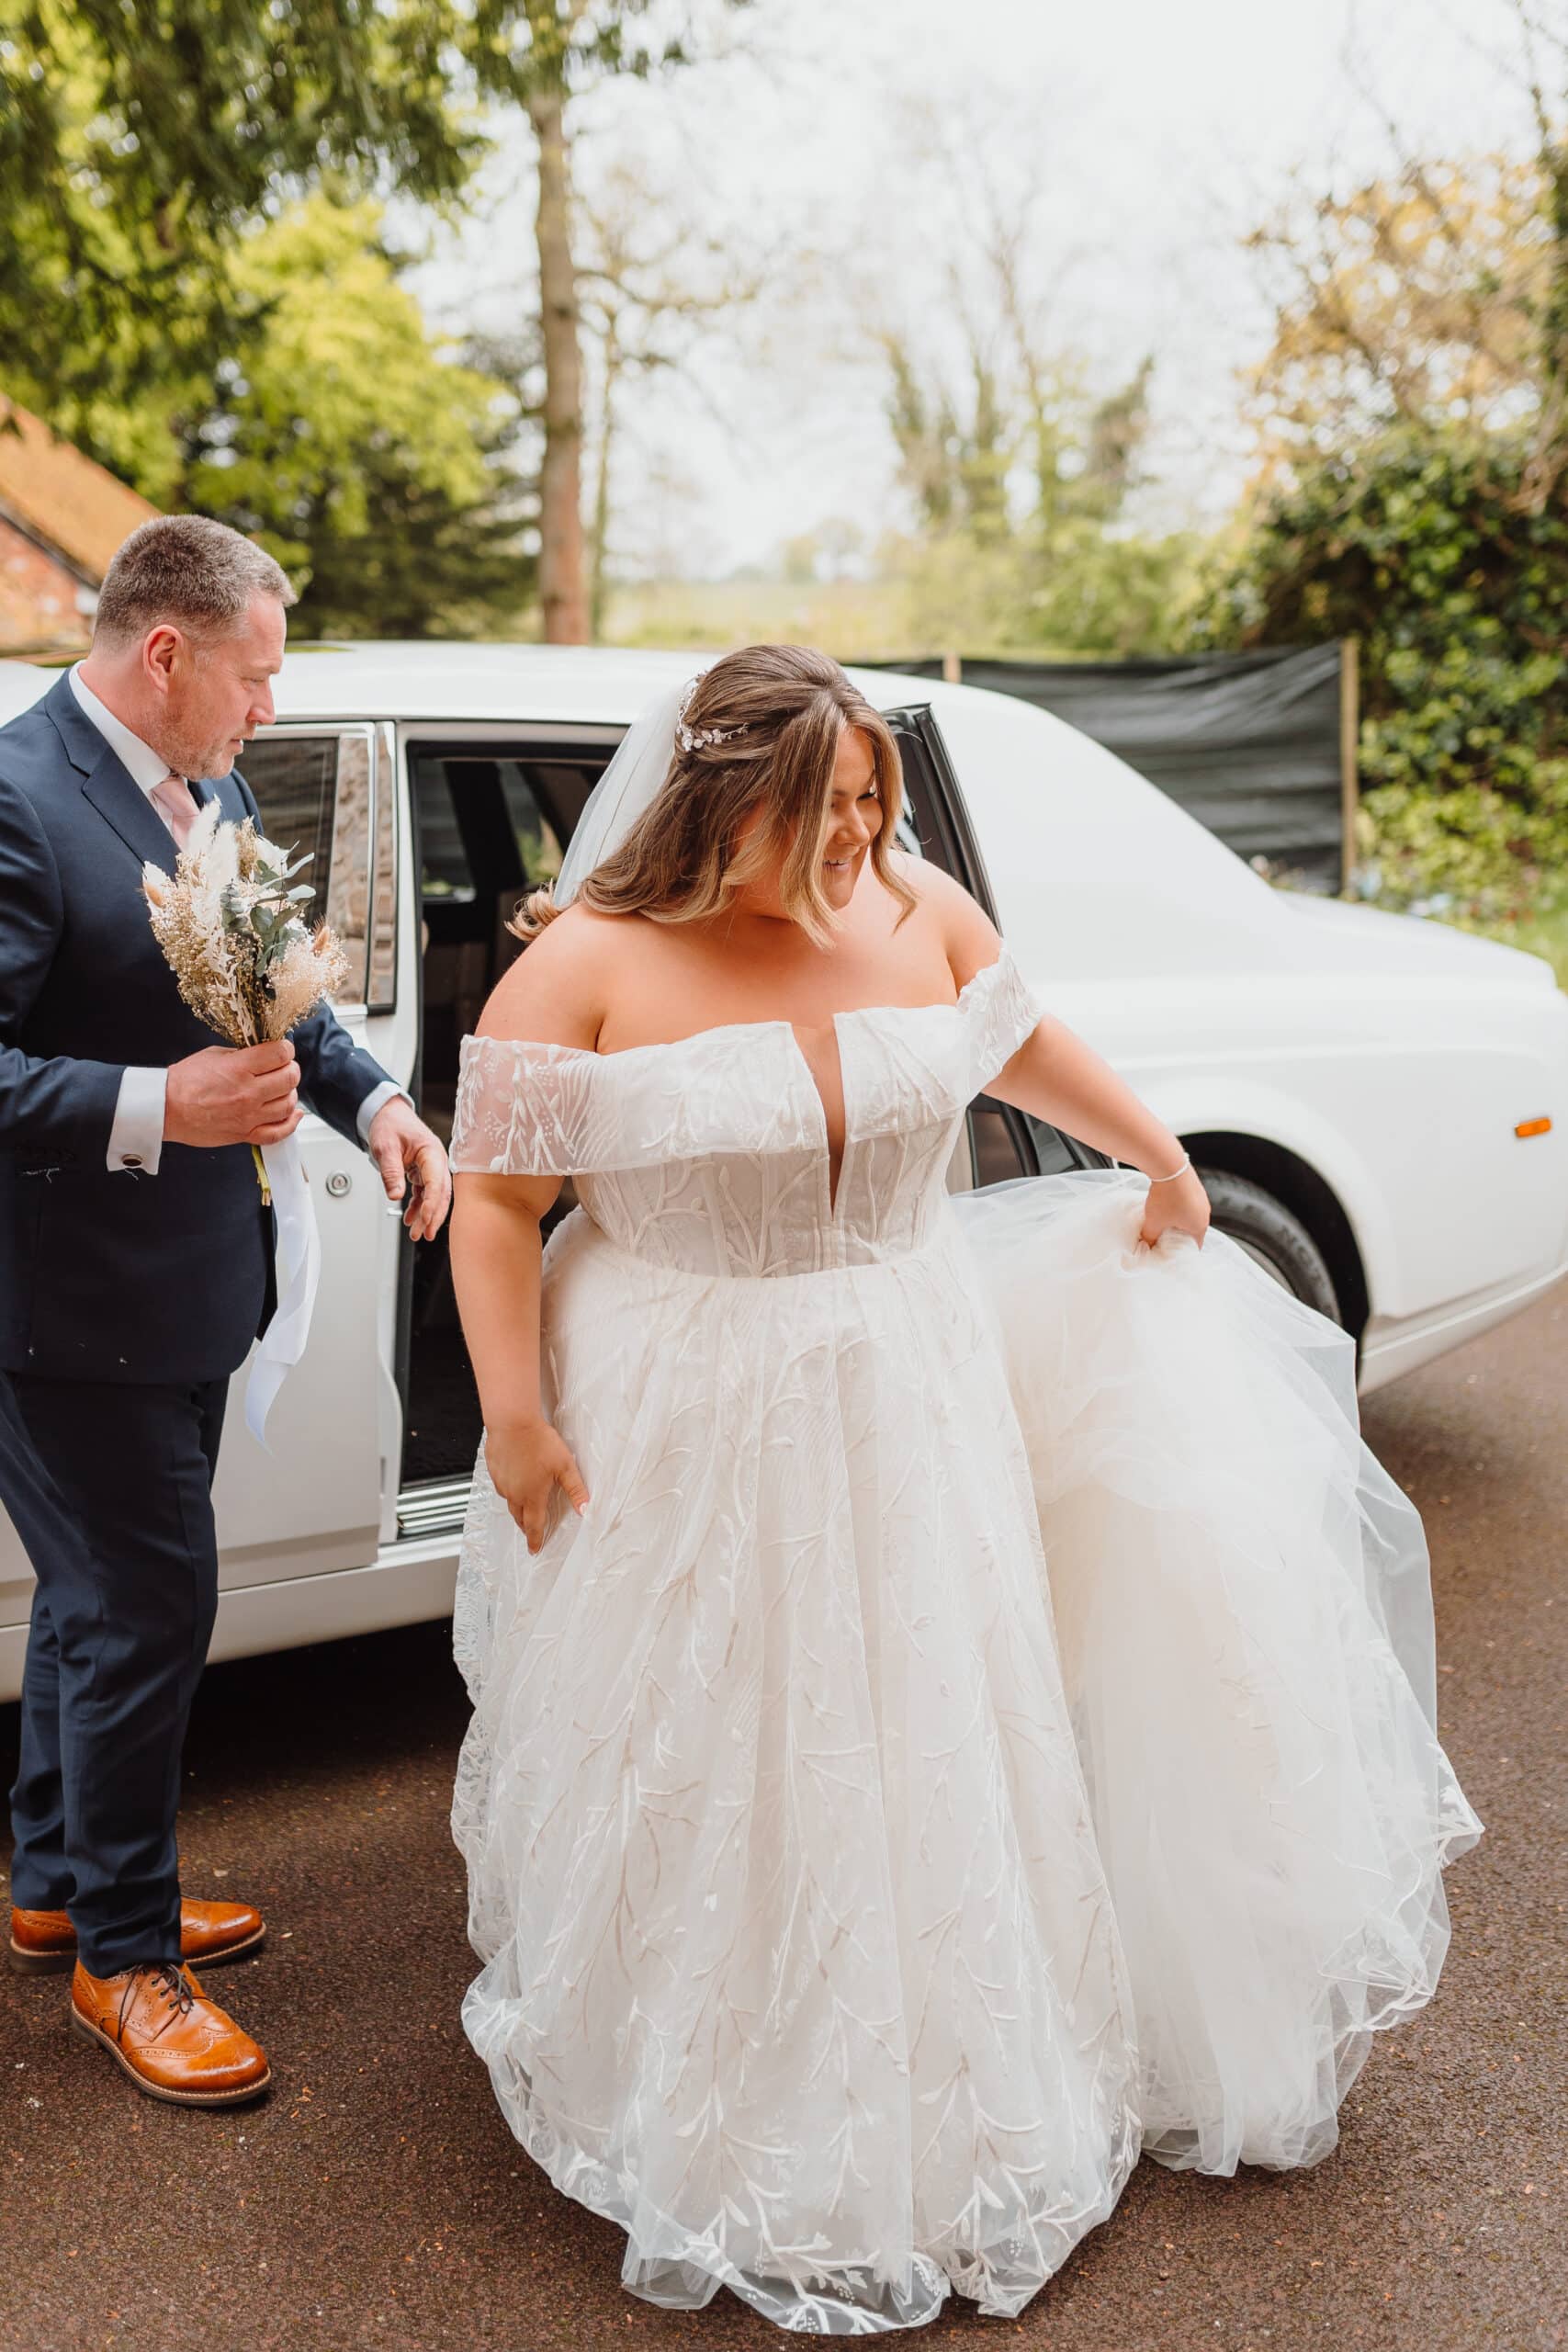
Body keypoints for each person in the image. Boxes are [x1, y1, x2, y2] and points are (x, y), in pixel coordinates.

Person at [446, 645, 1478, 2331]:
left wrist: (1157, 1151)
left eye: (874, 797)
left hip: (907, 1373)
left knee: (925, 1704)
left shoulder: (920, 910)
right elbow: (495, 1206)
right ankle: (719, 2064)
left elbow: (1021, 1043)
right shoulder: (587, 966)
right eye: (828, 806)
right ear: (727, 800)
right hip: (683, 1396)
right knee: (722, 1717)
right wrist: (513, 1415)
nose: (862, 832)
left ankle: (952, 2049)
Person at [0, 514, 451, 2107]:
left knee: (94, 1598)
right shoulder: (15, 794)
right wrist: (156, 1106)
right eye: (255, 677)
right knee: (149, 1605)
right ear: (164, 652)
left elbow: (277, 999)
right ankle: (126, 1959)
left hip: (196, 1284)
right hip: (59, 1305)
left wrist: (376, 1101)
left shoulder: (217, 789)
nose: (270, 707)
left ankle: (58, 1879)